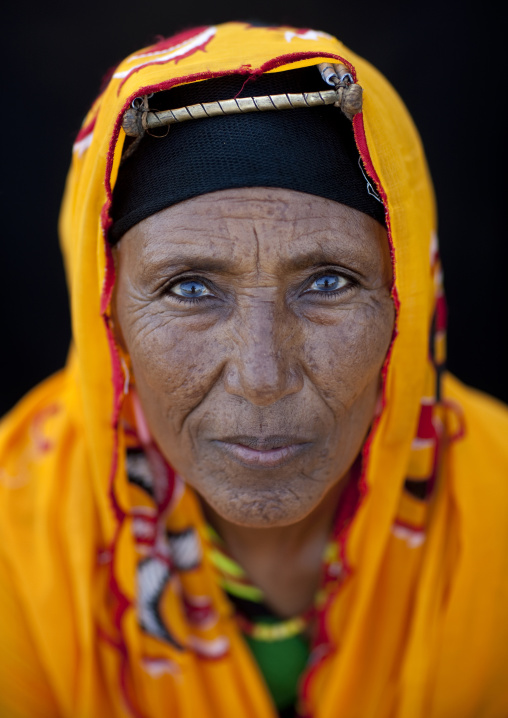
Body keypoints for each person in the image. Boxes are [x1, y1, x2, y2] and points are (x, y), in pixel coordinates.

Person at [1, 21, 507, 718]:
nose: (262, 375)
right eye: (189, 288)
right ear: (105, 314)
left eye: (329, 282)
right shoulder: (14, 548)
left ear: (407, 301)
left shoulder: (496, 506)